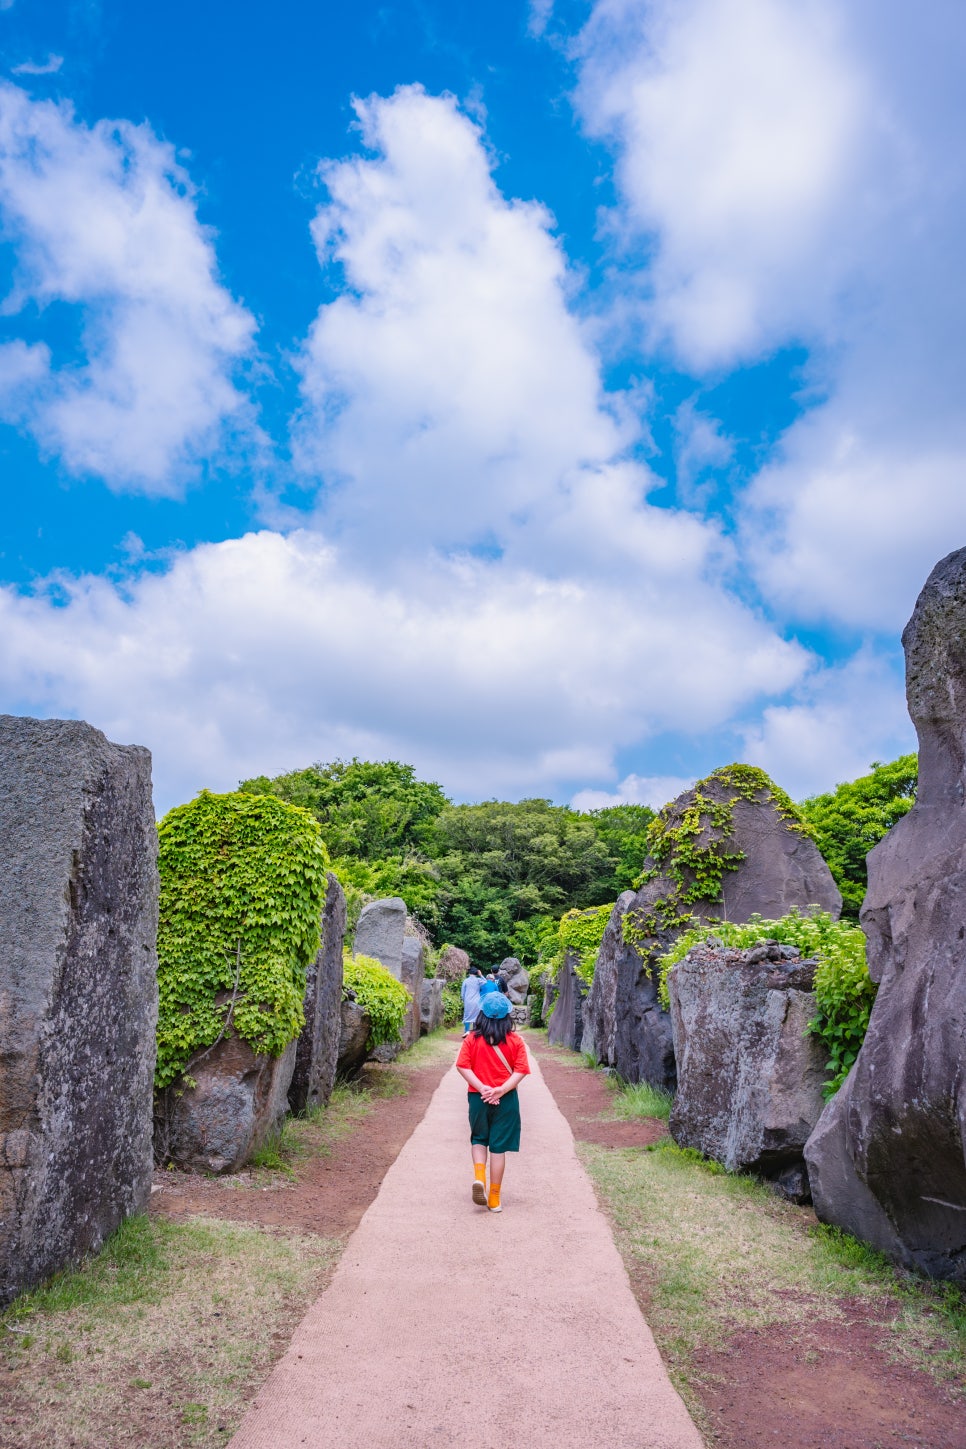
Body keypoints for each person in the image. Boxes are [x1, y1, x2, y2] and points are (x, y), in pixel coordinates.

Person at [455, 993, 530, 1213]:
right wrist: (501, 1090)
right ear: (508, 1015)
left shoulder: (472, 1039)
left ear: (482, 1015)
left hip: (477, 1098)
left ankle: (480, 1178)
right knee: (498, 1148)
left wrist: (482, 1088)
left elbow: (462, 1066)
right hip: (505, 1100)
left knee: (479, 1139)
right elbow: (521, 1070)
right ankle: (494, 1198)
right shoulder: (515, 1041)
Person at [460, 965, 483, 1035]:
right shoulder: (478, 980)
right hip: (477, 1001)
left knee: (467, 1016)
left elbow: (462, 993)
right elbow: (485, 982)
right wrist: (481, 975)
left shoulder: (466, 981)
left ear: (469, 973)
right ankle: (474, 1032)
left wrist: (463, 1000)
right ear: (476, 973)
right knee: (475, 1016)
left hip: (468, 1001)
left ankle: (467, 1031)